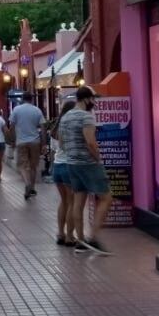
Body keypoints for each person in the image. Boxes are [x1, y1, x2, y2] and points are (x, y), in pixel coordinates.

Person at [61, 85, 113, 255]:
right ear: (86, 99)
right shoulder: (86, 117)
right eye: (93, 99)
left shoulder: (66, 116)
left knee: (78, 199)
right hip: (88, 163)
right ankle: (94, 238)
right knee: (106, 197)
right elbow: (90, 142)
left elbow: (61, 141)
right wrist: (98, 158)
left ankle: (81, 241)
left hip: (72, 163)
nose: (94, 102)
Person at [9, 91, 47, 200]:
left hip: (21, 142)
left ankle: (27, 184)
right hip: (35, 141)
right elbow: (43, 128)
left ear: (22, 99)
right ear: (32, 99)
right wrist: (44, 143)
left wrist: (12, 139)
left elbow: (11, 125)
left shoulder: (16, 110)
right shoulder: (37, 110)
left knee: (22, 165)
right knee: (33, 166)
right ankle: (33, 188)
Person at [51, 100, 76, 246]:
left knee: (64, 201)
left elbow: (55, 148)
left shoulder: (56, 128)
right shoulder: (72, 126)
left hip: (57, 166)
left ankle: (60, 233)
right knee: (72, 202)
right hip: (69, 166)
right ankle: (70, 236)